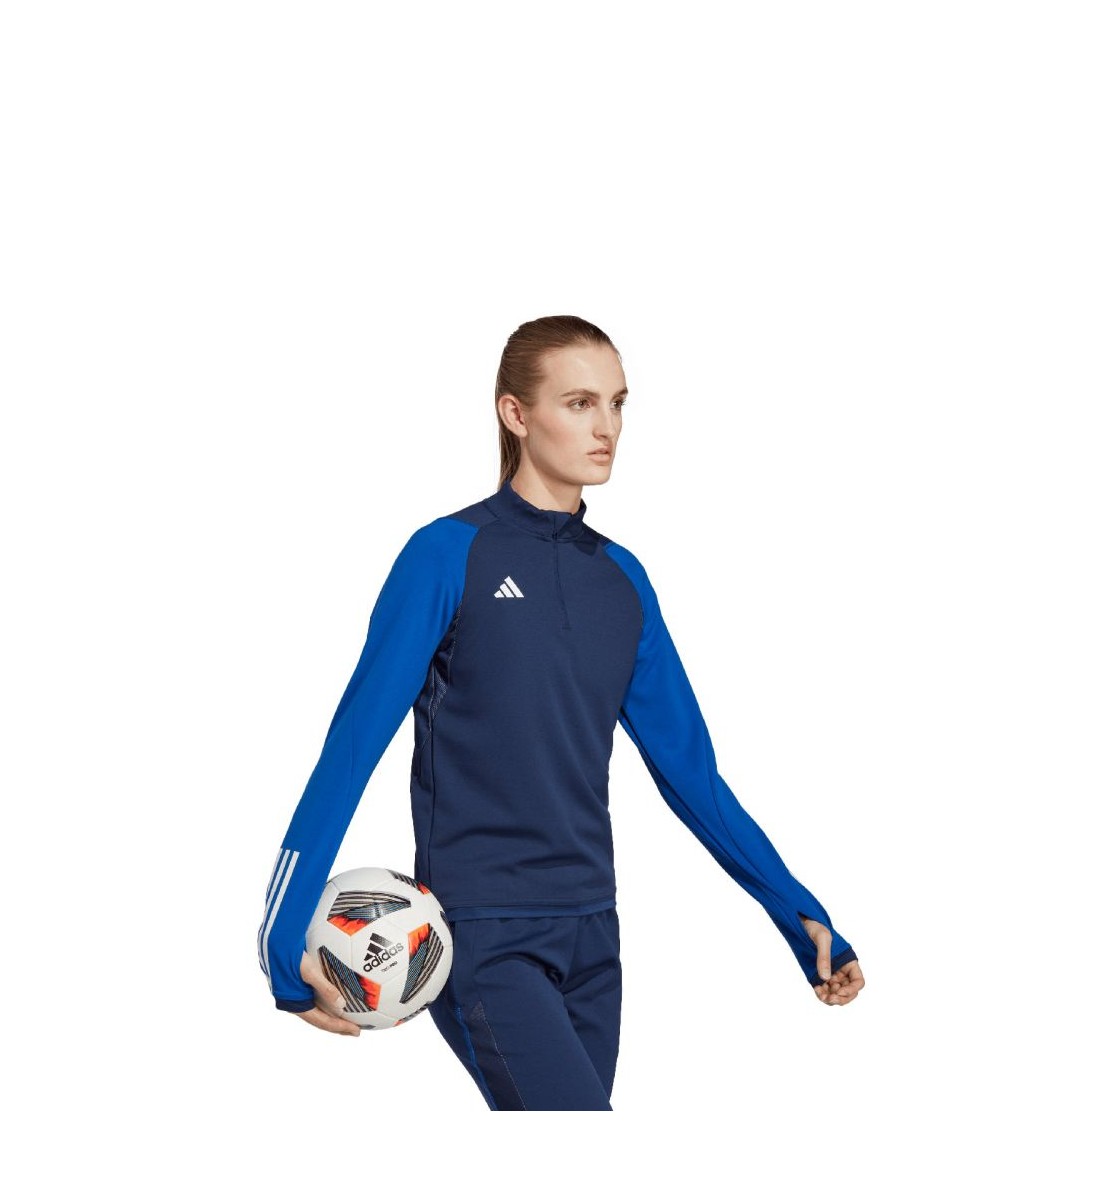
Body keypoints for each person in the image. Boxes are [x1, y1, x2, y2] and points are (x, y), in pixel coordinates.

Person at [256, 314, 865, 1110]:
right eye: (579, 403)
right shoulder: (445, 556)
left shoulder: (621, 580)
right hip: (482, 934)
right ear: (516, 413)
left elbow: (692, 776)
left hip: (593, 937)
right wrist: (281, 939)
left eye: (617, 403)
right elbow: (351, 749)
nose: (607, 427)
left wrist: (799, 914)